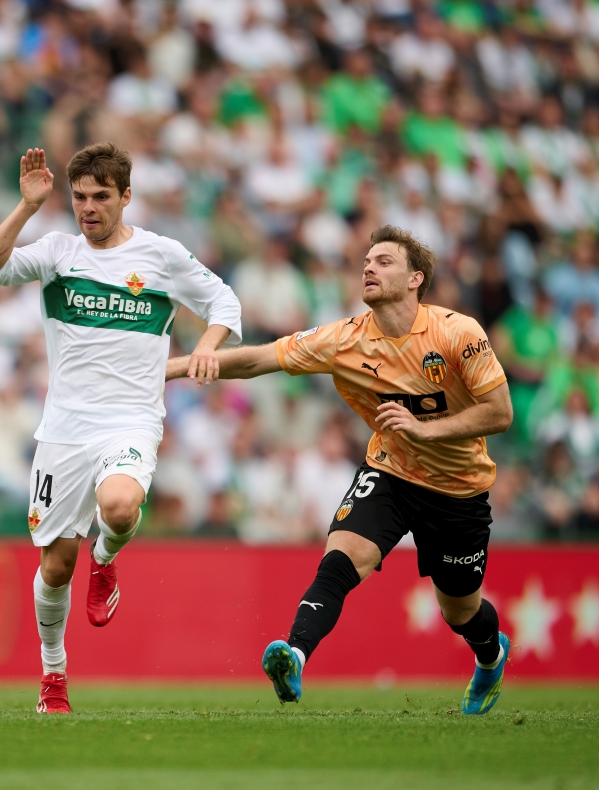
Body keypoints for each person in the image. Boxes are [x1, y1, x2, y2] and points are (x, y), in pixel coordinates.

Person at [167, 225, 514, 714]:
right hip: (390, 472)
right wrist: (178, 366)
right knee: (342, 559)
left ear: (416, 279)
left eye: (384, 261)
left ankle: (490, 654)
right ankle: (294, 655)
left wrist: (424, 430)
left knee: (459, 610)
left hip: (459, 490)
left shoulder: (458, 332)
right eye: (366, 261)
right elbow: (260, 360)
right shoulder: (345, 339)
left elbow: (500, 412)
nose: (369, 267)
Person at [0, 144, 242, 713]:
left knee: (120, 506)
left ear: (125, 196)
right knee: (54, 566)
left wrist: (208, 347)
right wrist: (26, 208)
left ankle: (108, 556)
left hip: (131, 420)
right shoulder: (56, 251)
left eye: (101, 196)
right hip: (64, 431)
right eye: (79, 197)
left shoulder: (161, 256)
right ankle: (53, 676)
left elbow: (224, 301)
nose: (88, 208)